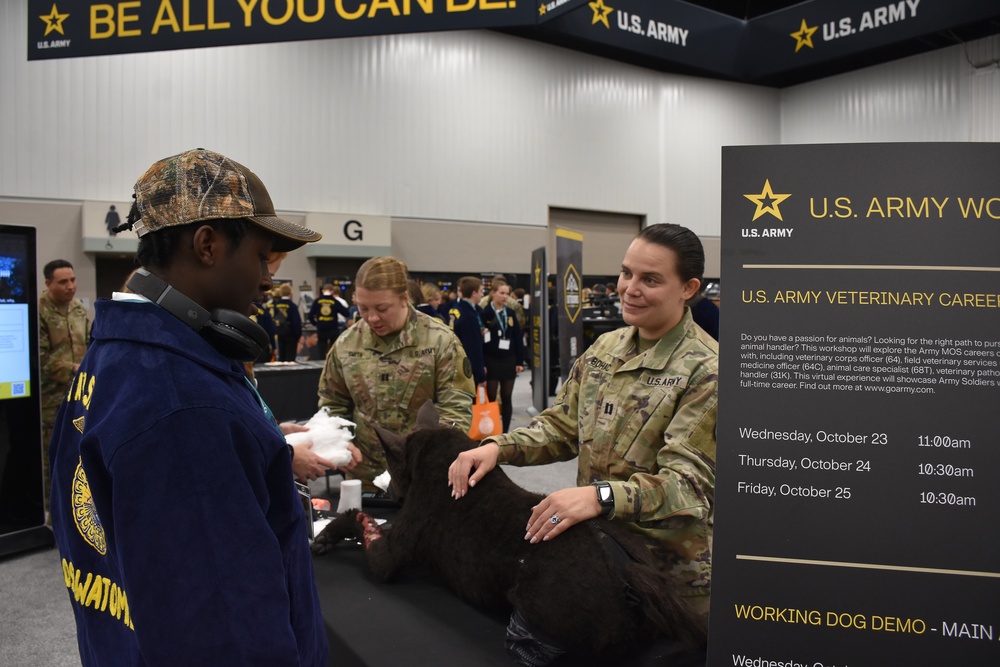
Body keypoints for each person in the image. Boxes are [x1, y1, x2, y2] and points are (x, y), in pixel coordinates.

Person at [49, 148, 330, 665]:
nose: (268, 279)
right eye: (262, 256)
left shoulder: (115, 360)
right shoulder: (183, 407)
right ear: (207, 245)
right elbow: (225, 634)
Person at [449, 223, 718, 627]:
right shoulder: (605, 349)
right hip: (601, 564)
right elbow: (560, 428)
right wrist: (495, 447)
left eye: (651, 279)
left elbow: (688, 486)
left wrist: (599, 497)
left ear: (688, 288)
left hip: (670, 583)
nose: (630, 288)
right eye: (626, 273)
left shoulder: (707, 370)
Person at [318, 257, 476, 490]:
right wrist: (340, 443)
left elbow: (456, 410)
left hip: (423, 477)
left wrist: (425, 454)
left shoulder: (440, 341)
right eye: (363, 308)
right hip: (364, 477)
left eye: (382, 308)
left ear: (404, 298)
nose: (372, 318)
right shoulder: (347, 344)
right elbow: (333, 403)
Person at [39, 259, 90, 512]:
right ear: (48, 283)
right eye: (63, 282)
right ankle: (50, 515)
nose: (71, 286)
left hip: (79, 397)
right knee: (50, 459)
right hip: (49, 401)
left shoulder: (79, 309)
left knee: (75, 455)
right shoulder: (39, 311)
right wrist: (72, 369)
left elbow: (90, 347)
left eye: (72, 280)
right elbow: (38, 359)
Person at [481, 279, 525, 432]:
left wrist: (519, 360)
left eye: (507, 293)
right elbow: (480, 341)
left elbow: (517, 338)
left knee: (507, 397)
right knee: (491, 396)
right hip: (491, 359)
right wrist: (482, 364)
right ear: (493, 293)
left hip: (508, 359)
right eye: (502, 293)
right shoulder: (484, 312)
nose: (505, 297)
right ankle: (491, 429)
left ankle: (505, 432)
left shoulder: (511, 313)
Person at [448, 276, 487, 387]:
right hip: (466, 369)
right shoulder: (469, 315)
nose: (482, 294)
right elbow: (473, 348)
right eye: (480, 291)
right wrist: (480, 375)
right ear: (474, 293)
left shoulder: (456, 308)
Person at [308, 283, 350, 357]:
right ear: (332, 291)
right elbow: (346, 313)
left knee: (321, 349)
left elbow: (310, 315)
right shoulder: (335, 301)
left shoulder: (317, 301)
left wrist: (316, 323)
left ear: (323, 290)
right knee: (333, 350)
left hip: (321, 328)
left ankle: (321, 365)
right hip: (333, 328)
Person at [270, 283, 302, 361]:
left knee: (281, 356)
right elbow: (296, 322)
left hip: (280, 333)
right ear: (290, 293)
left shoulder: (276, 305)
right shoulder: (292, 306)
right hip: (291, 334)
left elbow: (273, 318)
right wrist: (298, 335)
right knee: (290, 358)